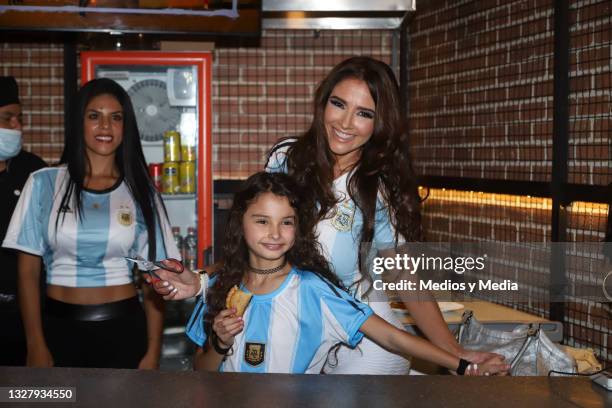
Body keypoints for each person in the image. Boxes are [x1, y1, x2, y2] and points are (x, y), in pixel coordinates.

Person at [151, 57, 502, 374]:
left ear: (381, 124)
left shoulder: (377, 187)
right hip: (289, 311)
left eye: (365, 113)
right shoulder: (285, 158)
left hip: (361, 326)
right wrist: (199, 280)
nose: (346, 123)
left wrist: (455, 352)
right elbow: (257, 247)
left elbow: (401, 276)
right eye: (339, 104)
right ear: (323, 104)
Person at [186, 172, 508, 375]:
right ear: (240, 223)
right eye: (262, 221)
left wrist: (462, 363)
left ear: (298, 228)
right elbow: (202, 368)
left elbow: (391, 336)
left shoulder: (314, 290)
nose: (275, 233)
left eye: (286, 222)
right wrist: (219, 340)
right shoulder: (219, 286)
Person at [2, 78, 179, 369]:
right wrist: (35, 343)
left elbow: (154, 281)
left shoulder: (142, 192)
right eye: (94, 116)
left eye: (116, 118)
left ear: (126, 127)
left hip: (123, 330)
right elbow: (27, 271)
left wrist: (152, 353)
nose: (105, 127)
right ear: (78, 123)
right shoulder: (43, 183)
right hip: (56, 330)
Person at [0, 76, 47, 366]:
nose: (17, 126)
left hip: (27, 318)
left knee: (32, 396)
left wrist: (37, 342)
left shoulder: (33, 171)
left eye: (20, 118)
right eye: (7, 118)